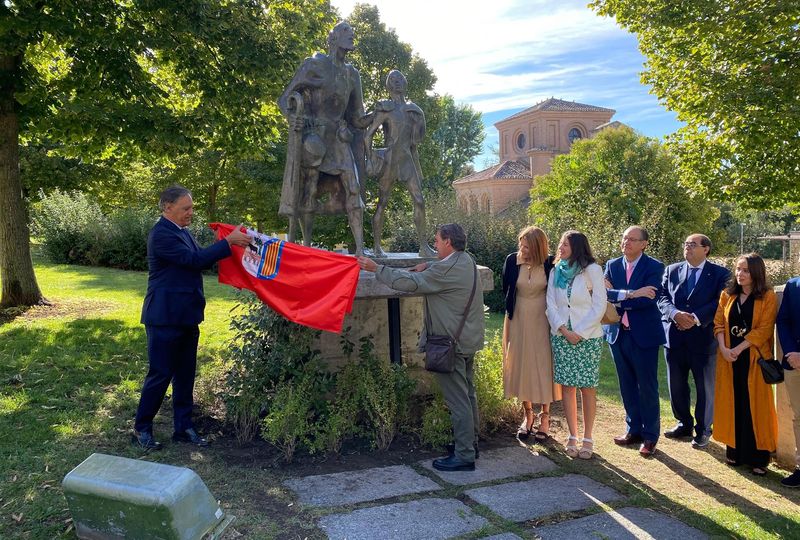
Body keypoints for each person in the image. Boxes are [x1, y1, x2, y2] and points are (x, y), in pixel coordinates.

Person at [133, 185, 252, 450]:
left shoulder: (181, 232)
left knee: (186, 374)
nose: (191, 212)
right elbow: (193, 260)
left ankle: (183, 428)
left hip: (186, 316)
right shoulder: (161, 234)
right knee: (160, 374)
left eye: (192, 207)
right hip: (164, 317)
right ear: (167, 207)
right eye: (185, 208)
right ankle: (141, 429)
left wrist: (226, 244)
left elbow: (199, 258)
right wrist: (227, 243)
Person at [357, 224, 484, 471]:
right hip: (467, 341)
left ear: (448, 242)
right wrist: (430, 265)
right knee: (468, 396)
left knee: (458, 401)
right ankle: (470, 444)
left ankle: (465, 456)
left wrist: (377, 269)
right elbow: (441, 269)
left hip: (451, 346)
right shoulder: (466, 260)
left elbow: (412, 283)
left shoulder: (444, 271)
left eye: (437, 241)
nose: (434, 245)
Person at [278, 21, 371, 256]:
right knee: (309, 189)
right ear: (334, 38)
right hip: (315, 136)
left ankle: (360, 248)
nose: (352, 35)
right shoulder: (315, 64)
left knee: (354, 188)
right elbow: (286, 99)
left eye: (352, 32)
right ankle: (307, 247)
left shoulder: (353, 75)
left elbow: (357, 117)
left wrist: (378, 116)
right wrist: (294, 118)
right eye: (346, 32)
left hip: (339, 139)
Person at [658, 234, 730, 448]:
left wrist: (695, 318)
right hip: (675, 336)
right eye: (686, 244)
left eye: (692, 245)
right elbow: (662, 296)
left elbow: (720, 302)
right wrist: (674, 314)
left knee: (705, 387)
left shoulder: (720, 274)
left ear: (706, 249)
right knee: (676, 385)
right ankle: (683, 423)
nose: (687, 248)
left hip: (703, 338)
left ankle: (704, 429)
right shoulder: (672, 270)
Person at [713, 253, 778, 476]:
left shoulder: (767, 296)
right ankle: (735, 451)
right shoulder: (727, 295)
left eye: (746, 270)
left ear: (756, 272)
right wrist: (723, 348)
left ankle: (759, 458)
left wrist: (739, 348)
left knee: (755, 407)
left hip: (753, 359)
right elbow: (718, 324)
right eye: (738, 269)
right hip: (729, 359)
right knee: (734, 402)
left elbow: (764, 329)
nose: (740, 274)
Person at [604, 226, 666, 457]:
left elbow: (649, 300)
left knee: (647, 386)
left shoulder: (655, 267)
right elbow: (603, 295)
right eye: (624, 238)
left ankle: (650, 436)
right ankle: (633, 430)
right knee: (626, 384)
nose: (626, 242)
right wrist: (632, 293)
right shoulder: (612, 265)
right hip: (618, 334)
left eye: (632, 239)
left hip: (644, 335)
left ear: (644, 244)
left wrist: (620, 298)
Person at [546, 231, 607, 459]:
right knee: (568, 387)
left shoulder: (592, 270)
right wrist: (563, 330)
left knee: (587, 387)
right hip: (561, 336)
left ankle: (588, 437)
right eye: (560, 243)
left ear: (578, 247)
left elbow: (599, 305)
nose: (560, 247)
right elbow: (550, 304)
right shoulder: (556, 271)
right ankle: (572, 435)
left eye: (566, 244)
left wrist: (578, 333)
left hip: (587, 337)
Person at [365, 70, 435, 258]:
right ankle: (377, 247)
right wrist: (371, 157)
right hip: (389, 161)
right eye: (393, 80)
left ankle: (423, 246)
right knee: (383, 202)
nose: (397, 83)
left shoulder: (412, 109)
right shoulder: (385, 108)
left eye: (400, 80)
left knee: (419, 200)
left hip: (406, 160)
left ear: (405, 83)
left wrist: (420, 118)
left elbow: (417, 139)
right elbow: (368, 134)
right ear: (388, 86)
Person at [501, 226, 558, 441]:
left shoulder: (550, 263)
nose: (522, 250)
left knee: (543, 366)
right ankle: (528, 416)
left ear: (537, 247)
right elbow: (506, 287)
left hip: (543, 320)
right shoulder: (511, 261)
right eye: (521, 245)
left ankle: (545, 417)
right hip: (518, 319)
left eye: (526, 246)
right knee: (521, 364)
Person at [777, 275, 800, 487]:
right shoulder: (793, 285)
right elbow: (783, 320)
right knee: (799, 416)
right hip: (794, 363)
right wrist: (792, 351)